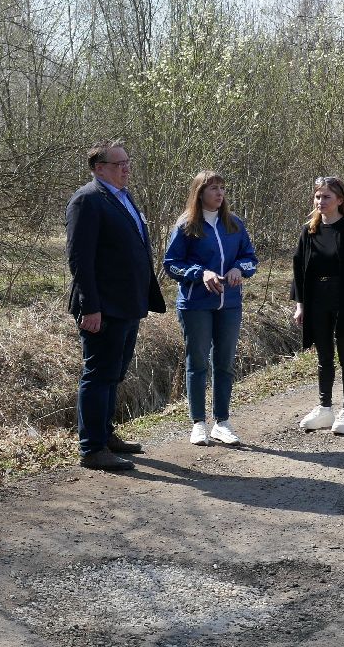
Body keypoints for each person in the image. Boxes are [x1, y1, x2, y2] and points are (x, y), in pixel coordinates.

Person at [65, 140, 169, 472]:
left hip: (127, 304)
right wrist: (90, 306)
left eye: (128, 162)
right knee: (98, 374)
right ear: (99, 168)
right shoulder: (87, 200)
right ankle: (92, 448)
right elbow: (79, 259)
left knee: (115, 373)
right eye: (118, 164)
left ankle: (106, 435)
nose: (126, 168)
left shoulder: (123, 197)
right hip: (103, 307)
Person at [164, 170, 258, 446]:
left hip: (229, 304)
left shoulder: (234, 224)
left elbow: (250, 258)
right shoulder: (186, 226)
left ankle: (222, 422)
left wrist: (239, 269)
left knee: (225, 362)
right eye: (213, 188)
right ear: (199, 193)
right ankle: (198, 424)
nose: (219, 193)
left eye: (222, 188)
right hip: (195, 305)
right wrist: (200, 273)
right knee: (198, 363)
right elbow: (171, 263)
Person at [290, 176, 344, 436]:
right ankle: (324, 408)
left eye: (326, 196)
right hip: (317, 300)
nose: (321, 201)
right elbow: (299, 271)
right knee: (324, 357)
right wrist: (300, 305)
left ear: (340, 200)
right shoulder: (309, 230)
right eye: (317, 196)